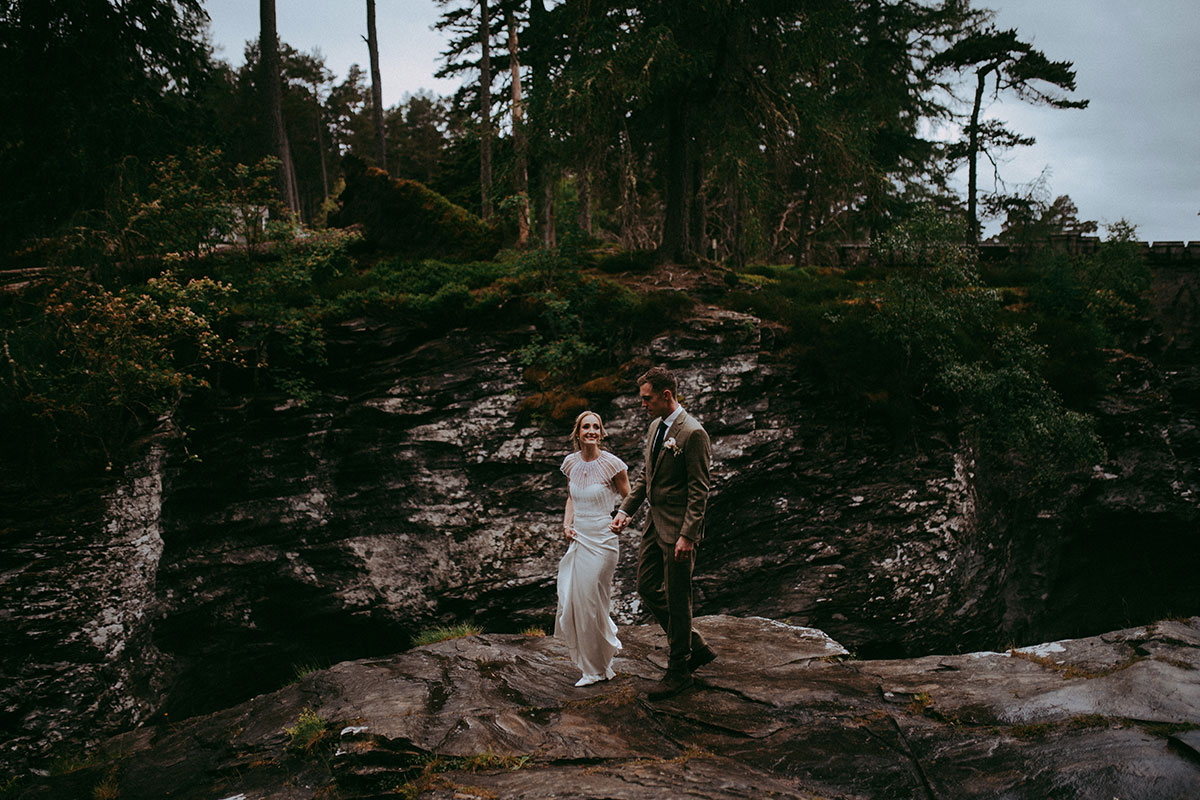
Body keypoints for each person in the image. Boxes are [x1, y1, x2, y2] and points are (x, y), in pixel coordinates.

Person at [611, 366, 715, 701]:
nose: (643, 405)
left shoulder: (693, 433)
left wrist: (688, 535)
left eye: (647, 398)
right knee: (645, 585)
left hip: (679, 531)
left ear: (666, 395)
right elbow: (646, 477)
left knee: (678, 598)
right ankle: (693, 645)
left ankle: (679, 671)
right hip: (654, 525)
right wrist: (626, 510)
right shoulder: (657, 426)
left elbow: (700, 490)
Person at [555, 410, 631, 687]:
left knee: (589, 599)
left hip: (603, 539)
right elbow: (571, 497)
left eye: (596, 427)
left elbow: (629, 499)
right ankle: (597, 666)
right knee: (577, 601)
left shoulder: (613, 465)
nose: (591, 431)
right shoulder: (570, 463)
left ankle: (596, 668)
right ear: (578, 432)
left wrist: (623, 520)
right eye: (586, 427)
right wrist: (567, 524)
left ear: (602, 431)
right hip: (580, 538)